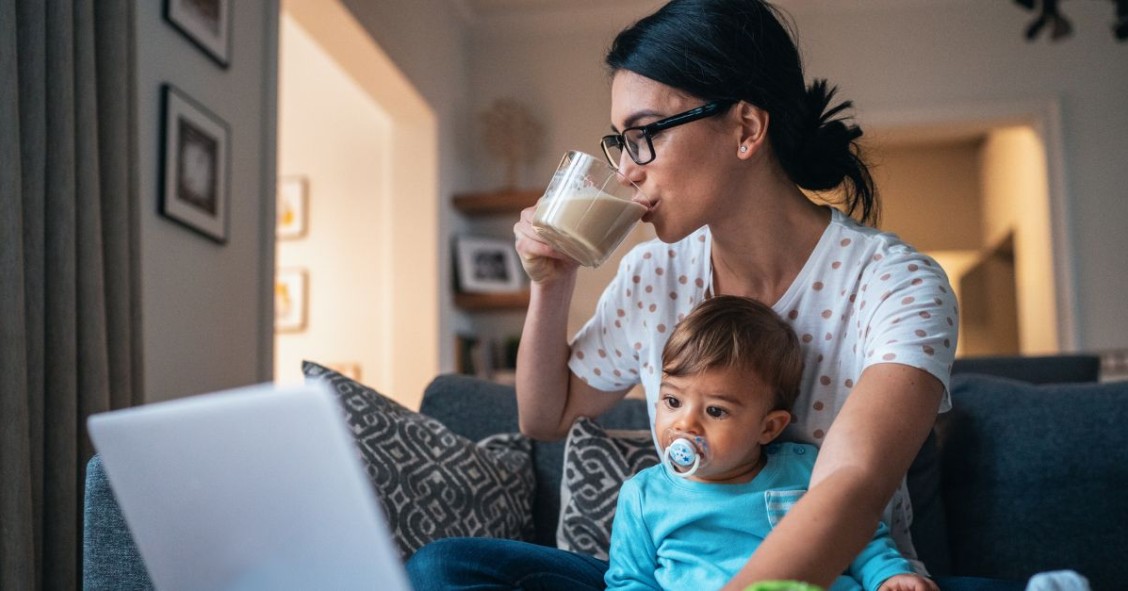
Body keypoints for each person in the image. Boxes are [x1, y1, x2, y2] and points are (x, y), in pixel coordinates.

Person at [407, 0, 1000, 589]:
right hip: (677, 579)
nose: (628, 171)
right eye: (621, 142)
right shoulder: (651, 275)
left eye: (643, 136)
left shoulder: (896, 283)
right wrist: (552, 282)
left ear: (745, 129)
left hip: (841, 580)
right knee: (447, 566)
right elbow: (545, 417)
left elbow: (852, 484)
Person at [604, 295, 938, 591]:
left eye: (715, 411)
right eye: (673, 401)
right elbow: (630, 581)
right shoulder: (643, 496)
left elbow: (859, 539)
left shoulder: (806, 468)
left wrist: (889, 575)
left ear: (769, 427)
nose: (685, 423)